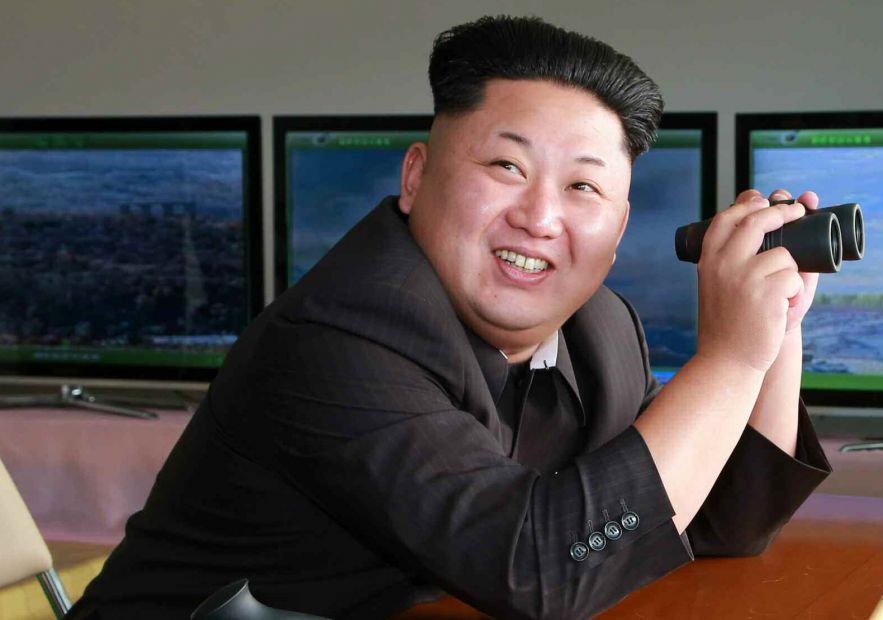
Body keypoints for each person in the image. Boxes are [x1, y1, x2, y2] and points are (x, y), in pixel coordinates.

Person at [67, 15, 830, 620]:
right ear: (416, 176)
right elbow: (541, 570)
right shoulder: (335, 336)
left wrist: (774, 325)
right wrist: (727, 358)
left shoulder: (601, 327)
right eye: (507, 166)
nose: (540, 217)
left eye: (583, 188)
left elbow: (712, 520)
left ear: (619, 226)